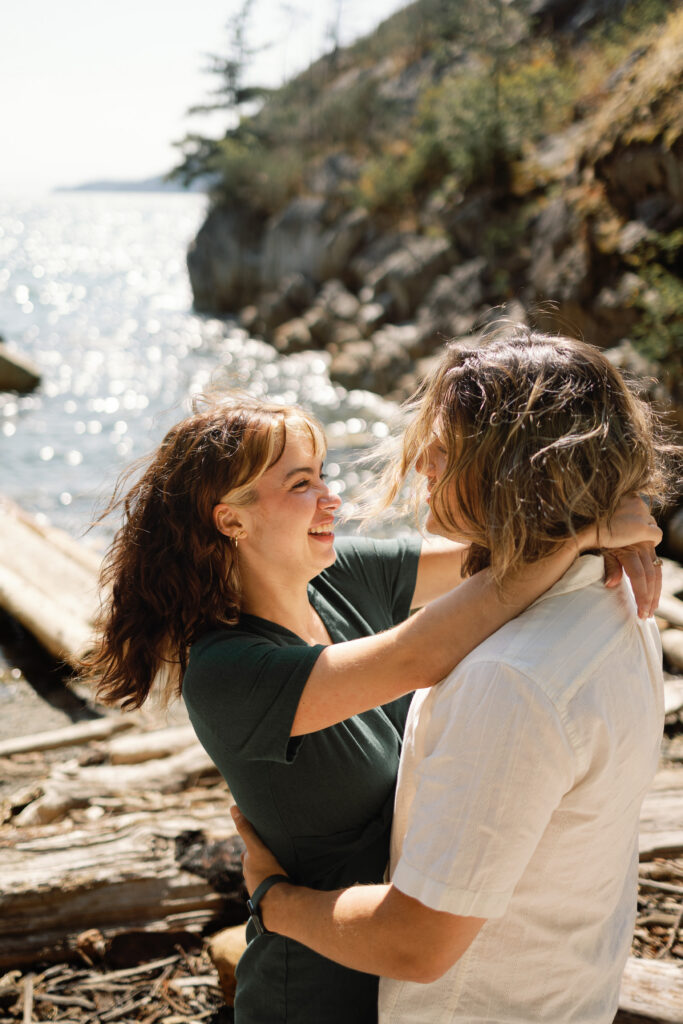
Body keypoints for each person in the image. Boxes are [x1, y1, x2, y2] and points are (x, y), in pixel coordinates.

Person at [82, 388, 660, 1024]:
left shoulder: (339, 574)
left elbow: (501, 553)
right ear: (231, 520)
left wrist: (608, 515)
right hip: (316, 987)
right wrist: (589, 529)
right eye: (302, 484)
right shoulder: (226, 671)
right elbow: (422, 652)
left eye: (324, 475)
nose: (333, 498)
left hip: (407, 970)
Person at [232, 328, 678, 1024]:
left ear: (513, 468)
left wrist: (272, 899)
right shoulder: (617, 599)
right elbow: (426, 637)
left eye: (442, 451)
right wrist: (584, 525)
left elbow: (416, 943)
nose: (421, 468)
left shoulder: (512, 682)